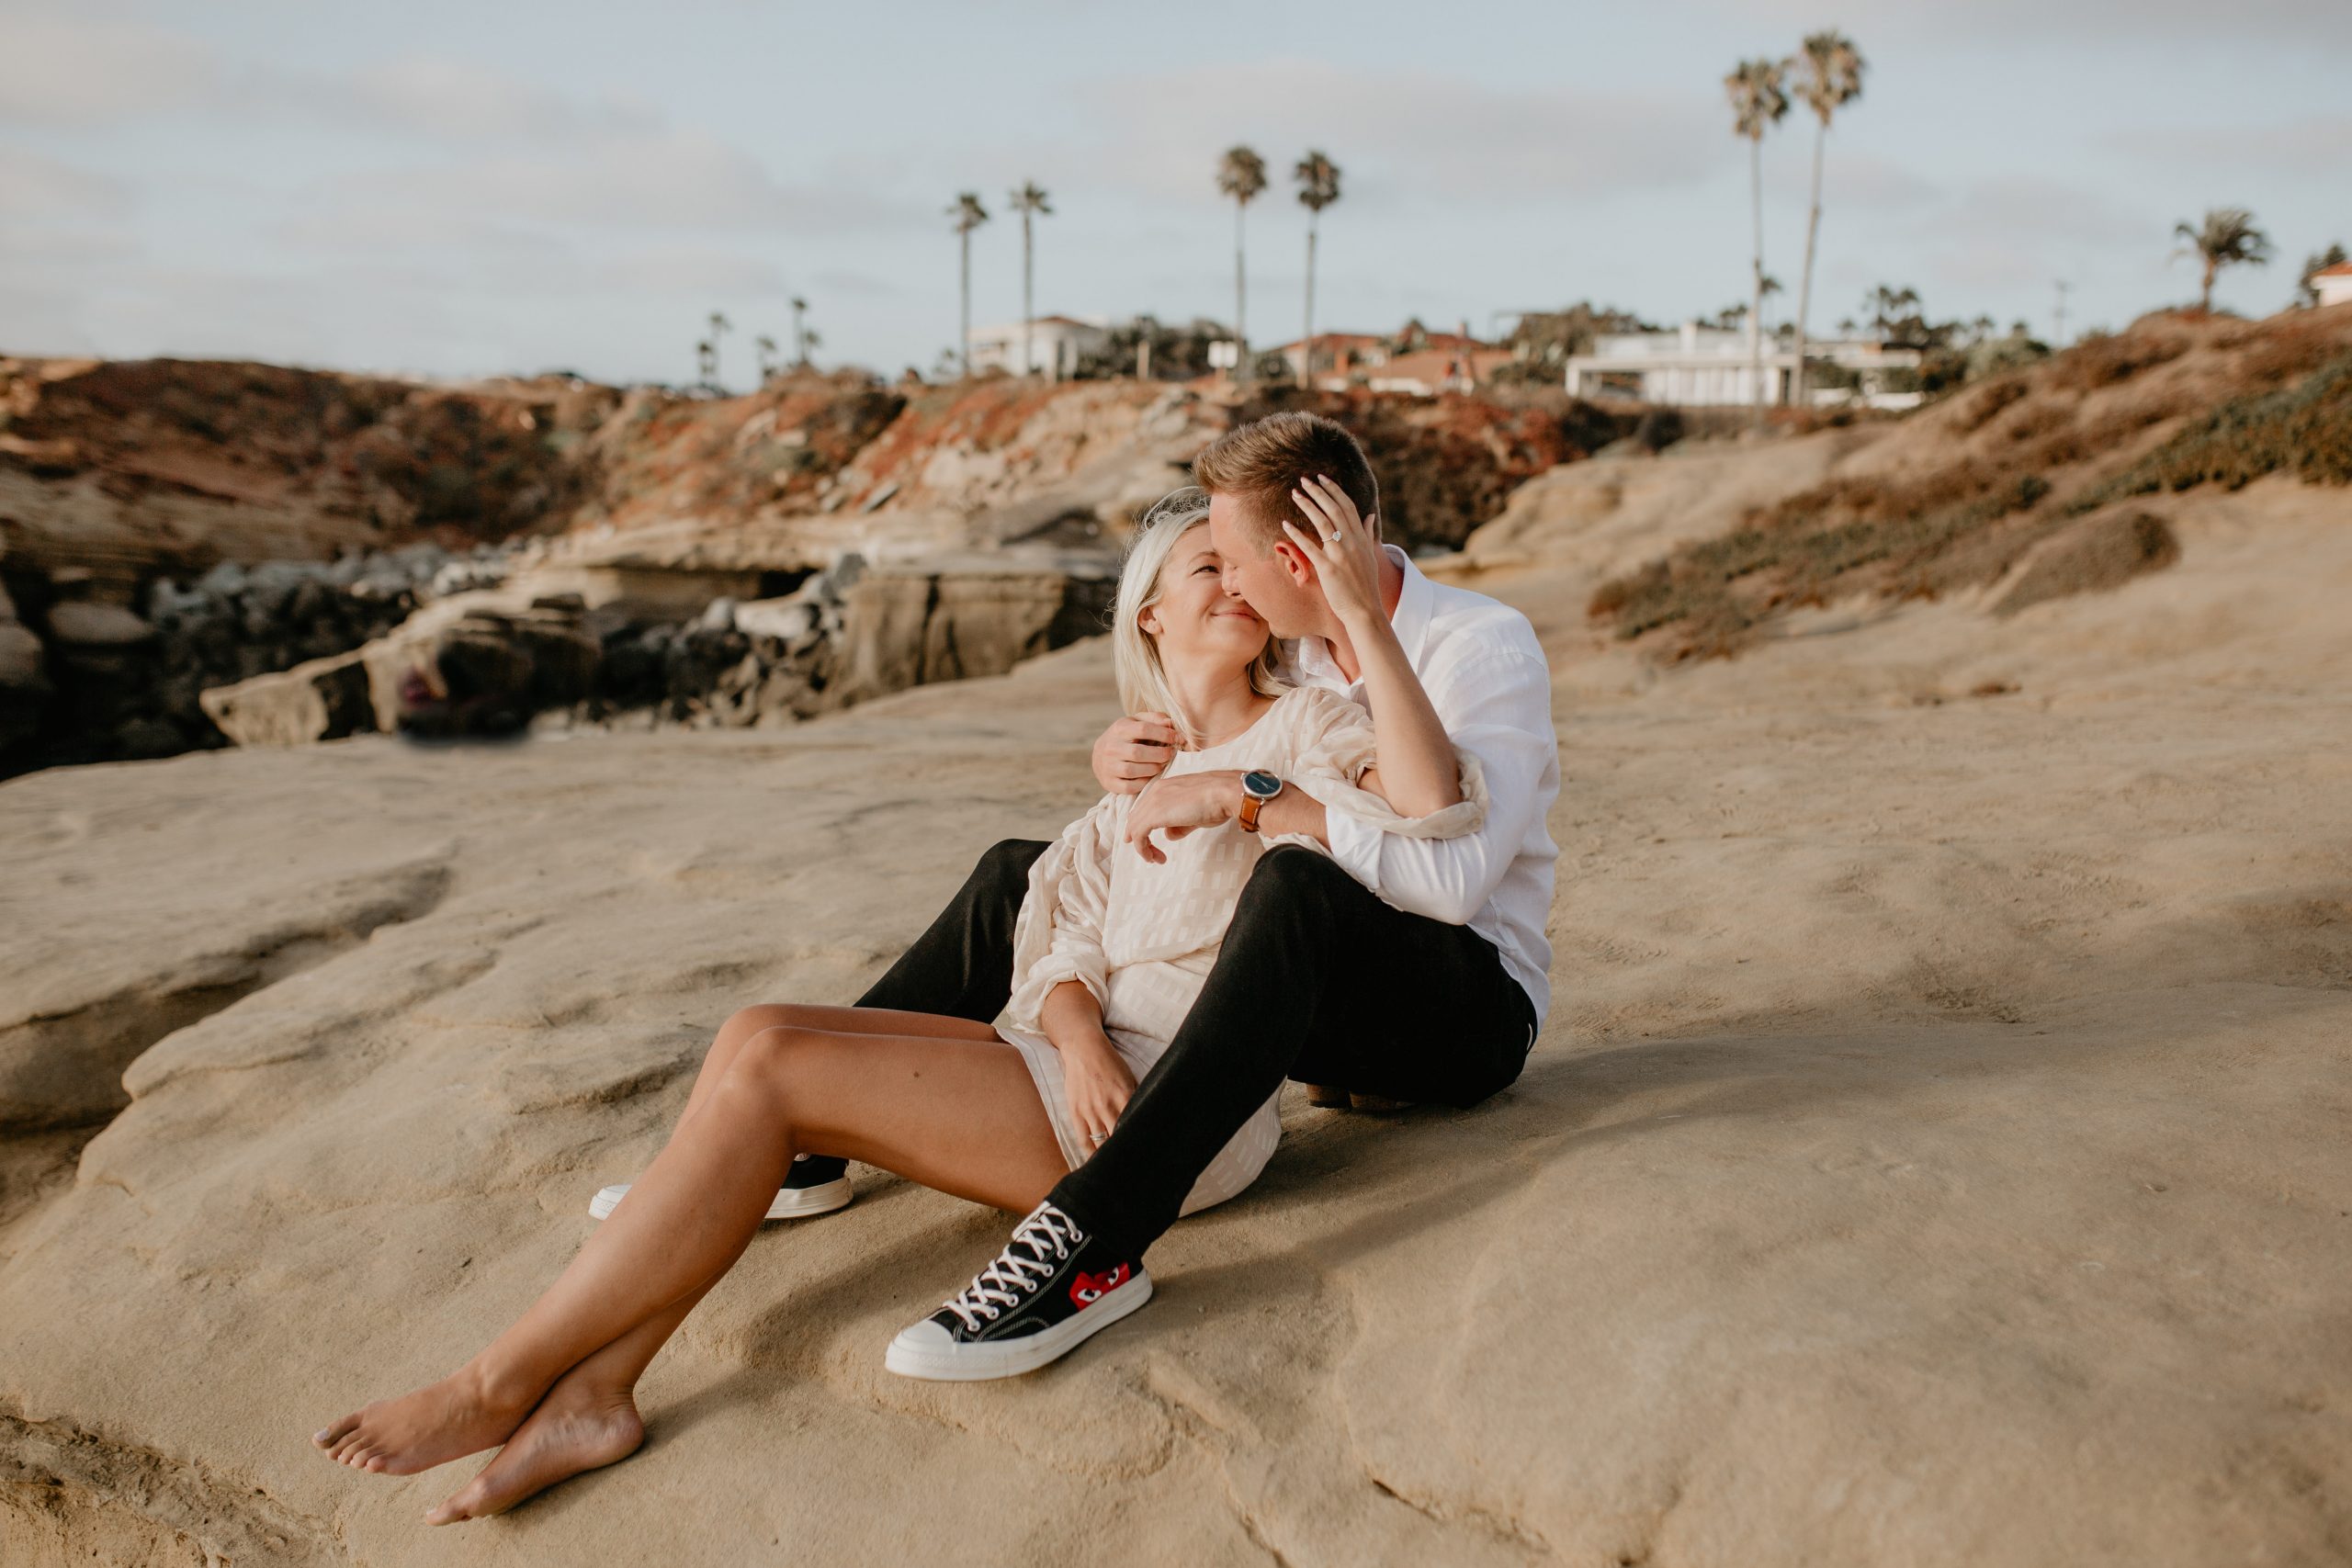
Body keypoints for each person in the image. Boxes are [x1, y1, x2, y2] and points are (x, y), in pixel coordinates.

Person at [310, 491, 1486, 1523]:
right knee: (754, 1033)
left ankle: (494, 1385)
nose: (1235, 585)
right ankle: (595, 1394)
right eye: (1205, 571)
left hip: (1177, 1112)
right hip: (1079, 1062)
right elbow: (1056, 935)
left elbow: (1426, 806)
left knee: (777, 1077)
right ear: (1150, 618)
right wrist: (1072, 1035)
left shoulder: (1313, 725)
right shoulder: (1131, 765)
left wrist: (1247, 779)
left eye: (1243, 569)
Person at [882, 411, 1560, 1378]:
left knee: (1295, 877)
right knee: (1018, 870)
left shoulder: (1477, 647)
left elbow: (1450, 884)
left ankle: (1093, 1241)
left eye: (1232, 564)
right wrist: (1125, 760)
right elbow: (1210, 734)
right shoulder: (1303, 653)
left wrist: (1255, 800)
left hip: (1465, 1010)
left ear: (1297, 559)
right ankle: (813, 1126)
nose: (1225, 584)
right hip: (1321, 1001)